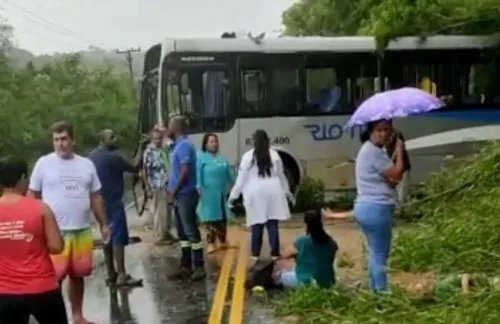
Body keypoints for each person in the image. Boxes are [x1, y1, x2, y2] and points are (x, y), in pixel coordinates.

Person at [28, 121, 110, 324]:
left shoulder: (86, 164)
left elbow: (96, 196)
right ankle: (51, 318)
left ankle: (77, 315)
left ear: (72, 139)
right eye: (56, 140)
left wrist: (103, 223)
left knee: (78, 274)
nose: (60, 144)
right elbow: (32, 194)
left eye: (64, 139)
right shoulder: (43, 164)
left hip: (81, 228)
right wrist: (30, 225)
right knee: (53, 278)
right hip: (54, 231)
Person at [0, 157, 68, 324]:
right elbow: (56, 246)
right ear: (22, 178)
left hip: (6, 292)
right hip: (43, 288)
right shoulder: (40, 208)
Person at [346, 119, 405, 293]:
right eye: (379, 130)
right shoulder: (374, 152)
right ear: (370, 131)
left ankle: (374, 290)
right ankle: (381, 294)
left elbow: (391, 180)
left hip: (365, 208)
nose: (383, 134)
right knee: (380, 255)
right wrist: (400, 149)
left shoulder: (369, 150)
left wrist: (391, 156)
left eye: (386, 130)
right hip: (376, 209)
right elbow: (398, 173)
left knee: (374, 253)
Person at [88, 129, 143, 287]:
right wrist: (142, 145)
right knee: (118, 237)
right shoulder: (114, 157)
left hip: (98, 203)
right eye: (112, 137)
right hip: (113, 202)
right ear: (103, 140)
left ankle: (111, 274)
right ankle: (122, 275)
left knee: (106, 236)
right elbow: (135, 165)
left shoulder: (92, 157)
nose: (116, 139)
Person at [229, 129, 292, 261]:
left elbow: (241, 179)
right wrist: (287, 192)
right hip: (273, 192)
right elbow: (281, 176)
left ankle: (255, 254)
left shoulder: (248, 157)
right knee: (272, 223)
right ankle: (275, 253)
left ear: (254, 141)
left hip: (255, 194)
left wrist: (233, 196)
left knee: (256, 223)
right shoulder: (275, 155)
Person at [166, 116, 205, 281]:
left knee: (190, 230)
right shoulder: (177, 145)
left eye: (169, 124)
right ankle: (185, 265)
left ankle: (199, 266)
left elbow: (184, 171)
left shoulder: (184, 146)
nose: (167, 127)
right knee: (182, 231)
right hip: (179, 195)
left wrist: (173, 191)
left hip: (185, 195)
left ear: (177, 127)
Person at [274, 209, 338, 289]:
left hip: (305, 281)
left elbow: (284, 255)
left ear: (306, 223)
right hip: (327, 282)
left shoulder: (302, 241)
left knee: (279, 275)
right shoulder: (331, 242)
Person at [196, 133, 235, 254]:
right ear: (206, 144)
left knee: (222, 217)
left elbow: (231, 175)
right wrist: (198, 187)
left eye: (215, 142)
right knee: (210, 218)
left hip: (221, 193)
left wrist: (239, 185)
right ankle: (211, 242)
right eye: (211, 142)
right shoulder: (201, 157)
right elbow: (197, 174)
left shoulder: (222, 158)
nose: (214, 144)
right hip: (207, 193)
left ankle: (223, 241)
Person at [143, 126, 176, 244]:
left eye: (159, 138)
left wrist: (165, 132)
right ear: (151, 139)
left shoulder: (163, 149)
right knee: (159, 211)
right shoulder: (148, 151)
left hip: (167, 184)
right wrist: (147, 188)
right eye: (155, 139)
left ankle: (166, 233)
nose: (158, 141)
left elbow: (172, 143)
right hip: (157, 184)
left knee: (167, 211)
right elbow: (144, 171)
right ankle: (159, 237)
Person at [385, 121, 411, 202]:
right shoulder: (386, 137)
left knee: (401, 195)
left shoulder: (398, 135)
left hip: (403, 169)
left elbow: (399, 150)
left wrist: (391, 159)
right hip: (393, 170)